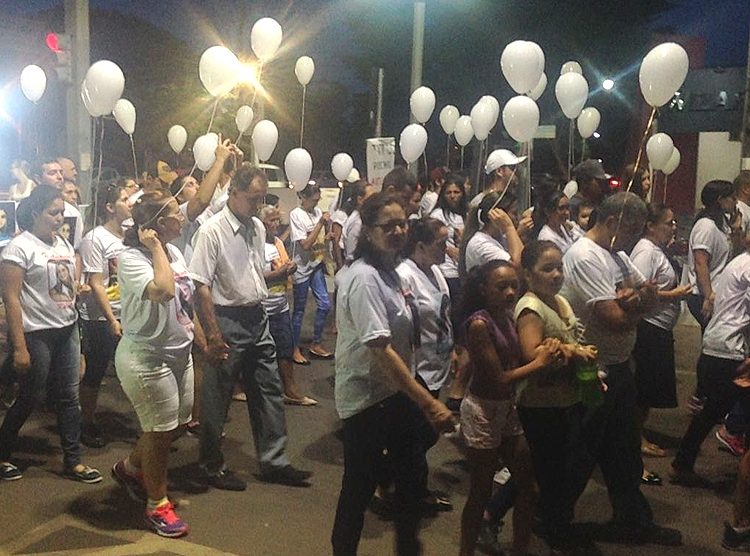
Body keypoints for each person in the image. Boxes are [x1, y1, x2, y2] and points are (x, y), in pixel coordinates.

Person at [331, 193, 453, 556]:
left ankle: (408, 547)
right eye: (389, 226)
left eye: (403, 223)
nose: (399, 230)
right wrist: (428, 401)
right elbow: (381, 349)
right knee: (358, 488)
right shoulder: (365, 278)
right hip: (367, 399)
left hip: (395, 395)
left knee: (412, 477)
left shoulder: (393, 272)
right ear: (368, 232)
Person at [560, 191, 682, 546]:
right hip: (591, 369)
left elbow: (648, 292)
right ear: (612, 223)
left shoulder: (618, 254)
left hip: (618, 365)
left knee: (623, 450)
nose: (637, 238)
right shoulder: (585, 256)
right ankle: (554, 519)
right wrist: (640, 304)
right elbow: (613, 317)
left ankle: (632, 520)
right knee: (581, 450)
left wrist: (639, 301)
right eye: (632, 229)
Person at [190, 163, 311, 491]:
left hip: (258, 317)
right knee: (218, 395)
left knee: (269, 389)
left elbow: (255, 273)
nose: (258, 206)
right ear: (233, 193)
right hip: (226, 318)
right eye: (252, 199)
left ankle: (274, 460)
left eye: (261, 199)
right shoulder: (212, 231)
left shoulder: (257, 227)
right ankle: (211, 465)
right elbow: (200, 285)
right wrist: (213, 334)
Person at [111, 189, 198, 538]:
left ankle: (132, 467)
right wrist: (155, 247)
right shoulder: (132, 258)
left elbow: (184, 298)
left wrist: (201, 336)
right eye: (177, 213)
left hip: (180, 352)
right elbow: (162, 291)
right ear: (159, 224)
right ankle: (156, 504)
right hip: (147, 358)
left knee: (176, 423)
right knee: (160, 434)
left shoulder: (175, 250)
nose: (183, 217)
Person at [0, 185, 101, 484]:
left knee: (70, 396)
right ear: (35, 214)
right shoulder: (19, 249)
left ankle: (74, 461)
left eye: (62, 213)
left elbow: (65, 287)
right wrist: (19, 347)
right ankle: (3, 452)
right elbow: (12, 298)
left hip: (67, 327)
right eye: (53, 213)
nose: (60, 219)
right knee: (31, 395)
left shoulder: (62, 245)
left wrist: (76, 294)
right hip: (37, 333)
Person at [459, 259, 560, 556]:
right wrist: (539, 363)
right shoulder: (480, 324)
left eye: (514, 285)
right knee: (480, 491)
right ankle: (466, 551)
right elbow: (499, 378)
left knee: (528, 484)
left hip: (506, 408)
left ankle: (520, 548)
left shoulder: (505, 316)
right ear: (483, 289)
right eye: (501, 286)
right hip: (483, 411)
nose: (509, 292)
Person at [514, 240, 598, 551]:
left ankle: (550, 522)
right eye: (547, 269)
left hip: (567, 397)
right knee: (546, 469)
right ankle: (549, 526)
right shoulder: (530, 307)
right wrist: (570, 351)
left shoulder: (560, 302)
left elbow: (570, 337)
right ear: (528, 274)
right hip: (540, 402)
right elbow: (531, 353)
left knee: (554, 466)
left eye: (559, 267)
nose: (556, 274)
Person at [671, 226, 750, 487]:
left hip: (719, 344)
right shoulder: (747, 265)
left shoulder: (740, 261)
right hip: (729, 348)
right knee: (715, 410)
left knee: (712, 410)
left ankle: (682, 463)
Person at [630, 205, 692, 472]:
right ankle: (635, 439)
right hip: (649, 327)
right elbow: (640, 291)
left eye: (674, 221)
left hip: (660, 327)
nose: (673, 227)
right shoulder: (645, 251)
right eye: (668, 223)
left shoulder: (657, 250)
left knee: (647, 389)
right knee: (642, 389)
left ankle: (637, 435)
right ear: (650, 226)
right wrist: (674, 294)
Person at [77, 181, 132, 448]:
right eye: (124, 198)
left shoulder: (131, 234)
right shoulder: (95, 238)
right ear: (110, 207)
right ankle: (86, 421)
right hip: (101, 318)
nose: (130, 202)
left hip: (131, 313)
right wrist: (111, 319)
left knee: (133, 368)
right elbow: (97, 282)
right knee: (96, 370)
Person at [259, 204, 317, 406]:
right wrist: (279, 273)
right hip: (261, 309)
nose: (275, 225)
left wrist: (290, 267)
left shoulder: (277, 242)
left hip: (280, 305)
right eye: (271, 221)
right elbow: (252, 277)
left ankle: (290, 390)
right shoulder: (255, 244)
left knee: (285, 349)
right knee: (258, 355)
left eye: (277, 220)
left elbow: (284, 265)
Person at [684, 179, 742, 333]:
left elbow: (730, 256)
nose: (736, 202)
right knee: (714, 337)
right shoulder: (706, 226)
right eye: (733, 198)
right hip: (703, 294)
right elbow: (700, 264)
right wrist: (708, 296)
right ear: (720, 200)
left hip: (718, 291)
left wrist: (735, 230)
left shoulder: (722, 223)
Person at [289, 183, 333, 365]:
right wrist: (320, 224)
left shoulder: (316, 213)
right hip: (301, 267)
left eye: (318, 199)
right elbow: (305, 244)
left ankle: (316, 343)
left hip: (315, 265)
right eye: (314, 200)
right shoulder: (296, 215)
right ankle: (293, 348)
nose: (317, 203)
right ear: (303, 197)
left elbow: (318, 238)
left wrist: (327, 236)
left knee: (324, 304)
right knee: (299, 310)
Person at [462, 190, 523, 273]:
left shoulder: (501, 237)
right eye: (514, 213)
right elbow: (518, 267)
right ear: (498, 214)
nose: (518, 217)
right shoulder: (480, 243)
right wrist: (509, 228)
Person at [429, 173, 467, 304]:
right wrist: (448, 249)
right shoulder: (438, 215)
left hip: (462, 271)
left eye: (456, 192)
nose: (452, 196)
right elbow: (432, 241)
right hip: (446, 271)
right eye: (448, 192)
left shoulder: (466, 215)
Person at [535, 190, 581, 254]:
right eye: (561, 208)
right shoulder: (546, 237)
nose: (567, 212)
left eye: (567, 207)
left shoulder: (565, 227)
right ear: (548, 211)